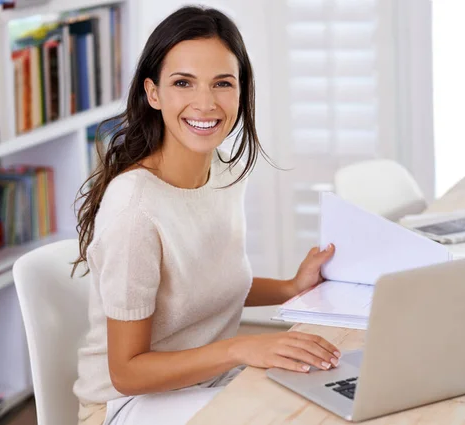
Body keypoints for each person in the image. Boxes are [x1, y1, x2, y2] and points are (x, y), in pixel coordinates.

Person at [72, 6, 340, 425]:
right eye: (183, 83)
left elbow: (202, 289)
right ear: (153, 93)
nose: (205, 103)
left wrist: (291, 287)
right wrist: (239, 349)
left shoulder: (224, 171)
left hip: (210, 382)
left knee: (327, 398)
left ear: (241, 91)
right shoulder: (134, 209)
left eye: (222, 84)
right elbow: (126, 372)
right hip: (127, 405)